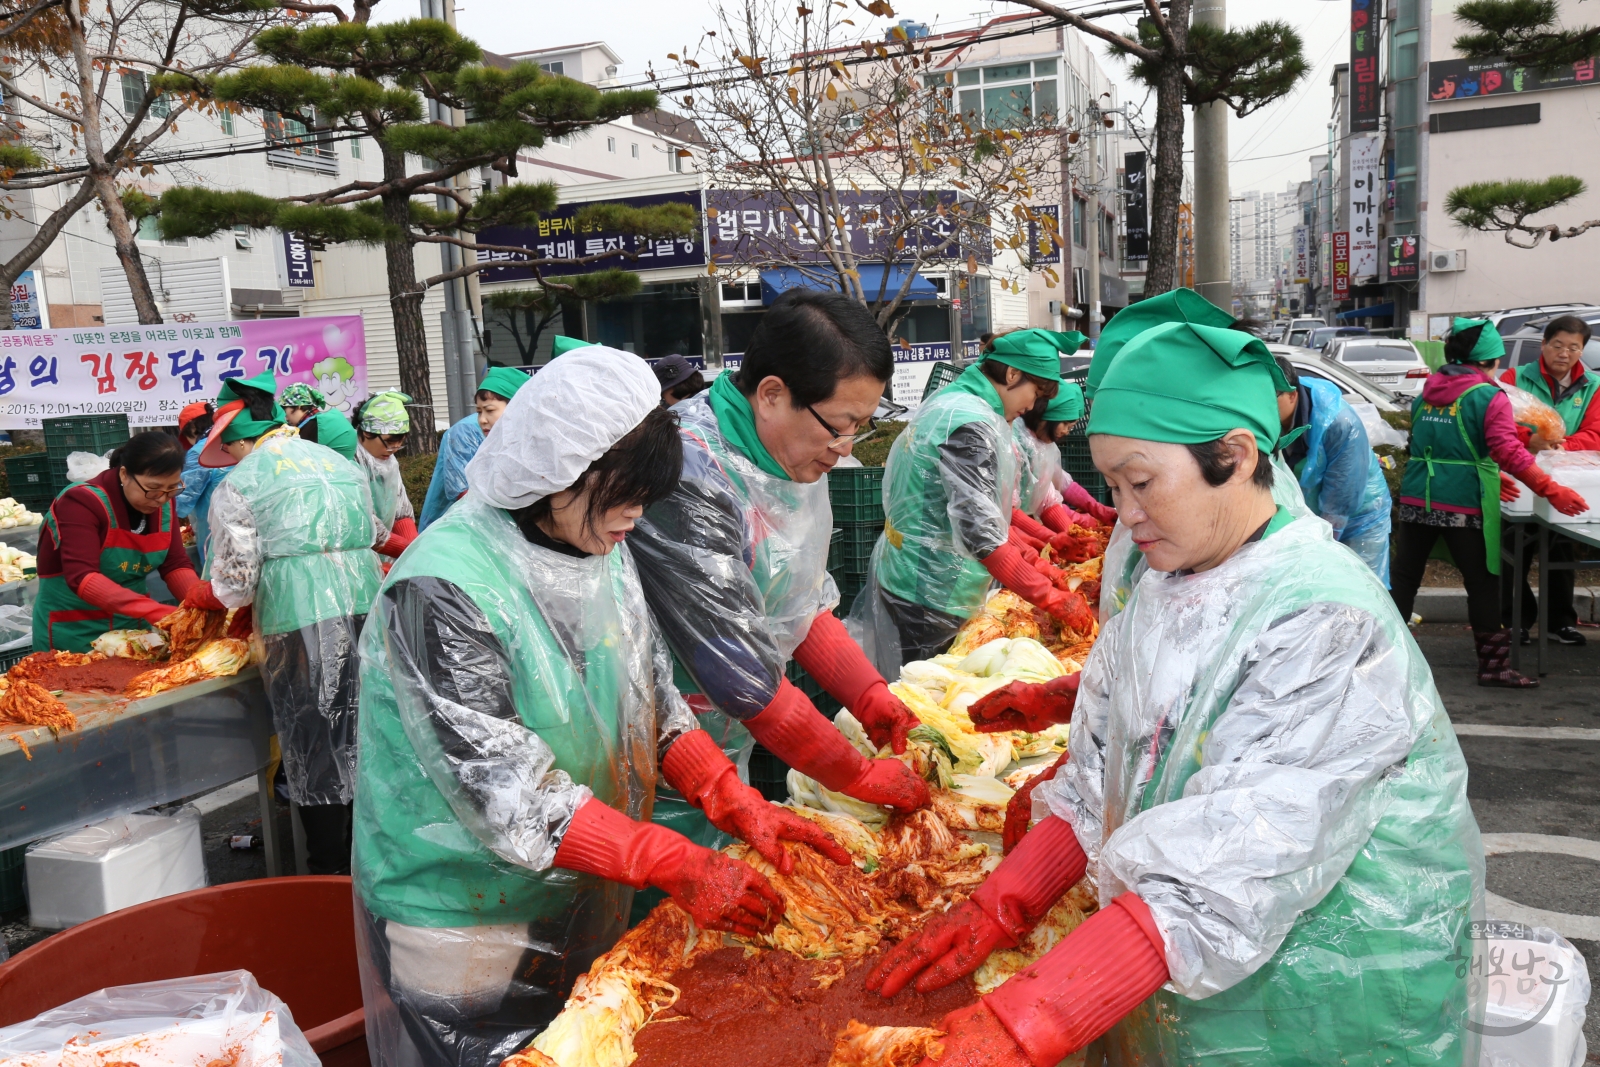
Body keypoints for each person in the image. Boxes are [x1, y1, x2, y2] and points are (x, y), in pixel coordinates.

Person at [868, 320, 1484, 1067]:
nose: (1124, 514)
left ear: (1235, 454)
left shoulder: (1322, 615)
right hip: (1193, 972)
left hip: (1329, 993)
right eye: (1114, 486)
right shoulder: (1169, 589)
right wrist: (1001, 903)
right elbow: (1100, 781)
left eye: (1142, 482)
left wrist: (1028, 1019)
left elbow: (1241, 856)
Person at [351, 346, 847, 1067]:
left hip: (581, 881)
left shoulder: (598, 551)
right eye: (624, 494)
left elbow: (649, 703)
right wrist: (667, 857)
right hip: (462, 913)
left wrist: (728, 795)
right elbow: (507, 792)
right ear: (559, 471)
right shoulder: (445, 586)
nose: (635, 516)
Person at [628, 289, 930, 846]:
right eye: (841, 425)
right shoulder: (688, 471)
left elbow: (799, 603)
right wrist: (857, 776)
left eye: (861, 426)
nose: (847, 446)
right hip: (648, 762)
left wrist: (868, 695)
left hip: (722, 745)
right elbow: (739, 668)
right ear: (771, 394)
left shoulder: (787, 461)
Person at [185, 370, 383, 875]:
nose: (227, 458)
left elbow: (234, 584)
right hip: (371, 613)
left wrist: (192, 597)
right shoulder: (339, 465)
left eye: (227, 449)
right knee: (370, 736)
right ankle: (372, 864)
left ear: (237, 440)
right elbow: (375, 531)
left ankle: (327, 870)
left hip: (299, 625)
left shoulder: (242, 483)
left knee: (317, 744)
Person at [854, 328, 1095, 674]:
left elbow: (983, 512)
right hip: (930, 587)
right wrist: (1048, 595)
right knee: (927, 698)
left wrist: (1038, 564)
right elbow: (981, 534)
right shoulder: (972, 424)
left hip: (919, 574)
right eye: (1036, 392)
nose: (1032, 406)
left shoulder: (959, 404)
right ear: (1012, 374)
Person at [1390, 318, 1587, 688]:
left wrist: (1489, 476)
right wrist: (1548, 488)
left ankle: (1386, 659)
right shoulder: (1488, 395)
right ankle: (1494, 667)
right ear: (1490, 360)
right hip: (1461, 502)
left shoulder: (1429, 391)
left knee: (1403, 580)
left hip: (1419, 496)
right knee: (1483, 584)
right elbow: (1508, 450)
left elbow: (1426, 444)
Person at [32, 431, 205, 651]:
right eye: (152, 489)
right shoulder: (81, 502)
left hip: (133, 630)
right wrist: (155, 611)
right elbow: (81, 576)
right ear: (124, 474)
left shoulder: (162, 501)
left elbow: (174, 564)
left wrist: (198, 601)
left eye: (172, 488)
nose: (161, 499)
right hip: (75, 630)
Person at [1499, 314, 1599, 645]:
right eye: (1557, 345)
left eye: (1574, 347)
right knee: (1514, 547)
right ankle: (1515, 620)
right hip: (1520, 476)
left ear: (1582, 350)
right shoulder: (1516, 377)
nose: (1564, 353)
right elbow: (1499, 422)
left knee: (1561, 550)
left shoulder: (1593, 387)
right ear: (1543, 344)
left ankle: (1560, 621)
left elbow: (1596, 433)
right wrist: (1530, 440)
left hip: (1570, 478)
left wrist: (1563, 446)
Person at [1273, 355, 1393, 584]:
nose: (1261, 407)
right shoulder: (1271, 420)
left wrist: (1324, 543)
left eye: (1270, 399)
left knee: (1359, 588)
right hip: (1313, 514)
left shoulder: (1338, 422)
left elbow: (1342, 494)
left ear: (1291, 395)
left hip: (1361, 516)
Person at [1005, 375, 1118, 559]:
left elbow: (1048, 496)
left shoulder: (1042, 445)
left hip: (1019, 532)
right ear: (1046, 417)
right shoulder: (1015, 442)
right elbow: (1006, 510)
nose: (1066, 431)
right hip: (1000, 537)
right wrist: (1053, 536)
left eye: (1071, 426)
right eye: (1065, 424)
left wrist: (1075, 534)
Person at [418, 367, 530, 531]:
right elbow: (464, 494)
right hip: (458, 532)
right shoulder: (465, 432)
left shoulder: (521, 437)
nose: (483, 419)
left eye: (489, 411)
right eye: (479, 411)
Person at [351, 391, 418, 558]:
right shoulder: (350, 459)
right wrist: (406, 550)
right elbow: (363, 521)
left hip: (384, 552)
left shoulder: (389, 461)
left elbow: (400, 509)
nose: (394, 448)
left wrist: (414, 545)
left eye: (400, 442)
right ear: (367, 432)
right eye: (389, 441)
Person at [176, 402, 226, 566]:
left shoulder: (199, 452)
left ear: (191, 428)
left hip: (215, 532)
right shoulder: (231, 441)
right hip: (247, 527)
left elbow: (181, 499)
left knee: (217, 583)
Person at [281, 382, 358, 461]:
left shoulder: (312, 426)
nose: (286, 418)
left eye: (285, 410)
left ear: (298, 406)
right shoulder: (330, 417)